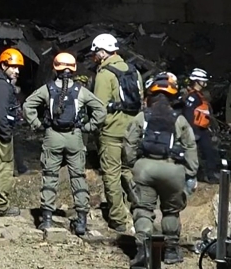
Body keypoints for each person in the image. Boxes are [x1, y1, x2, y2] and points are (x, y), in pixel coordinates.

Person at [22, 52, 106, 236]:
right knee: (78, 177)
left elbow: (28, 106)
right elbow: (100, 109)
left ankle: (47, 218)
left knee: (50, 176)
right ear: (74, 69)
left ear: (55, 68)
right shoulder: (80, 91)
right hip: (74, 136)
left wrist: (37, 124)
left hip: (52, 136)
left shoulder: (47, 89)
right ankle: (82, 220)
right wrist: (88, 126)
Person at [124, 72, 198, 267]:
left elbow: (129, 143)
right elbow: (191, 146)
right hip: (172, 169)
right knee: (171, 212)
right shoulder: (179, 120)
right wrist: (191, 173)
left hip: (145, 167)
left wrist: (132, 163)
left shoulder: (142, 116)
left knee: (143, 209)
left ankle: (143, 250)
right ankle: (172, 250)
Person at [90, 33, 141, 232]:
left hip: (111, 131)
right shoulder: (133, 70)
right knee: (128, 171)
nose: (94, 56)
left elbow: (99, 107)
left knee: (111, 174)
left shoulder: (104, 74)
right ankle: (139, 208)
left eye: (96, 52)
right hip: (132, 131)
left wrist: (93, 128)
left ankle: (118, 219)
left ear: (103, 52)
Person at [0, 48, 24, 217]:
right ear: (3, 65)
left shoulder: (0, 83)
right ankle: (1, 207)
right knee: (3, 169)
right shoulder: (1, 85)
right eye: (13, 67)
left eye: (18, 68)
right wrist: (5, 134)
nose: (17, 71)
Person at [183, 68, 217, 183]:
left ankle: (210, 175)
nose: (205, 83)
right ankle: (191, 177)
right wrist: (191, 131)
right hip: (195, 129)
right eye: (203, 81)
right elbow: (188, 114)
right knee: (192, 154)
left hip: (202, 129)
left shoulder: (200, 95)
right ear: (197, 81)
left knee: (209, 151)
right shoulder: (192, 97)